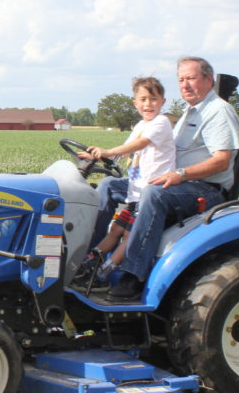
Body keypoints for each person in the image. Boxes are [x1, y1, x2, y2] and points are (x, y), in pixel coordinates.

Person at [90, 56, 239, 301]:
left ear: (208, 79)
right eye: (181, 80)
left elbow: (221, 161)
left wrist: (181, 174)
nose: (185, 85)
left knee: (153, 193)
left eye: (191, 78)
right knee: (108, 186)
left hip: (204, 188)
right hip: (174, 181)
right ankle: (89, 257)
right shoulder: (189, 113)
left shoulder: (217, 111)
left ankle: (133, 273)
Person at [73, 76, 175, 289]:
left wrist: (109, 151)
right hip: (135, 193)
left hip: (150, 194)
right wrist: (96, 156)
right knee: (116, 230)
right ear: (135, 103)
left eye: (153, 99)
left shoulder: (161, 123)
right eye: (143, 99)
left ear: (163, 101)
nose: (148, 104)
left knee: (129, 235)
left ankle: (104, 272)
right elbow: (122, 152)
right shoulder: (141, 124)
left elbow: (140, 144)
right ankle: (89, 259)